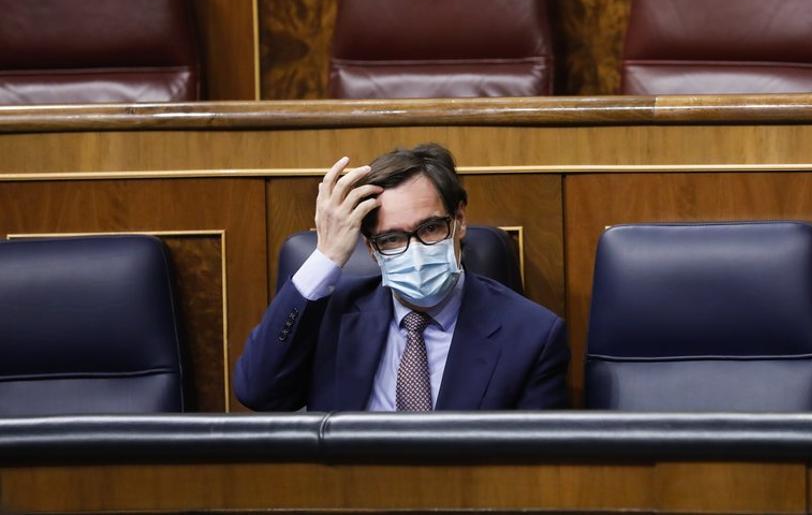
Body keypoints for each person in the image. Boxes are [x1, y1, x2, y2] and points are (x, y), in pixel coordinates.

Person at [234, 143, 569, 411]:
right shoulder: (331, 316)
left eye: (431, 228)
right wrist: (327, 256)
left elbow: (534, 470)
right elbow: (258, 392)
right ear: (371, 248)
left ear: (460, 220)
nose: (416, 251)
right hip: (345, 494)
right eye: (392, 239)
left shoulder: (532, 335)